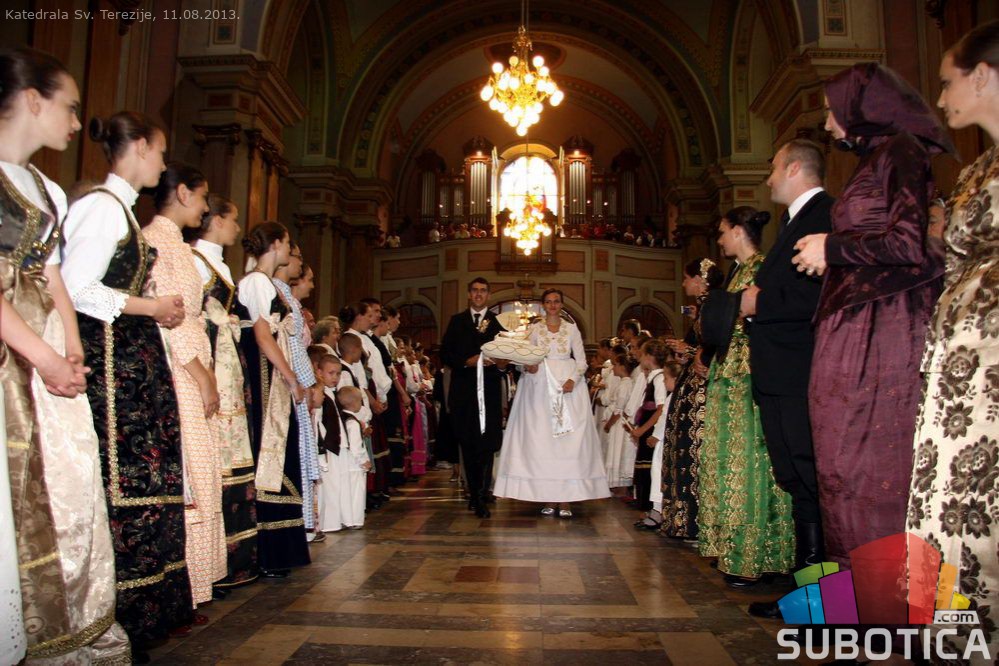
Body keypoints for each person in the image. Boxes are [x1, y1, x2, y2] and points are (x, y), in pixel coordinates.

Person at [792, 62, 955, 568]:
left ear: (859, 106)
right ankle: (858, 602)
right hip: (855, 318)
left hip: (885, 321)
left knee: (872, 465)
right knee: (841, 467)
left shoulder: (902, 150)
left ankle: (891, 607)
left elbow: (908, 244)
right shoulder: (874, 159)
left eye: (831, 110)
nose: (826, 123)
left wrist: (832, 248)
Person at [0, 46, 129, 663]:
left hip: (46, 344)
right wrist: (43, 358)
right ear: (32, 100)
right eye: (70, 108)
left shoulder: (48, 188)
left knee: (70, 487)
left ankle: (69, 621)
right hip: (14, 351)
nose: (79, 124)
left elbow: (51, 274)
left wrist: (71, 349)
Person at [62, 110, 194, 649]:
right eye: (159, 151)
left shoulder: (121, 210)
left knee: (147, 476)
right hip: (112, 366)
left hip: (132, 361)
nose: (162, 163)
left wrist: (154, 309)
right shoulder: (101, 206)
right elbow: (75, 286)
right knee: (125, 479)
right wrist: (151, 306)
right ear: (138, 146)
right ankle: (120, 612)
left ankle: (149, 608)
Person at [907, 21, 999, 658]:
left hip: (992, 365)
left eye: (948, 82)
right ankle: (959, 638)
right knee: (953, 504)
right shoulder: (977, 169)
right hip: (955, 372)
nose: (940, 99)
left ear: (984, 75)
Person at [738, 139, 834, 618]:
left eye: (774, 167)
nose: (769, 177)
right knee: (798, 481)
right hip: (781, 373)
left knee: (812, 481)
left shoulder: (823, 216)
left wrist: (757, 303)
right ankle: (807, 597)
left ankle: (821, 602)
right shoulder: (794, 221)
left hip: (800, 371)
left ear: (795, 168)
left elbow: (815, 298)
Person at [143, 162, 227, 610]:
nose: (206, 206)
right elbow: (171, 317)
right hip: (182, 366)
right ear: (181, 193)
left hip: (194, 360)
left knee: (203, 470)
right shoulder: (158, 240)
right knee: (191, 471)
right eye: (203, 195)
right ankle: (184, 584)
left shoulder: (176, 243)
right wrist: (203, 376)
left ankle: (196, 583)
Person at [698, 207, 794, 587]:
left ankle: (755, 553)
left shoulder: (762, 268)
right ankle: (733, 548)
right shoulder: (737, 271)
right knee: (728, 465)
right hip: (728, 376)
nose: (720, 240)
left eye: (723, 232)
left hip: (747, 377)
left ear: (738, 231)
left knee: (750, 463)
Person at [189, 193, 258, 592]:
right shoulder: (195, 260)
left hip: (229, 365)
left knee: (233, 457)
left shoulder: (221, 265)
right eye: (232, 219)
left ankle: (230, 561)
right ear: (216, 220)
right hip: (210, 362)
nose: (237, 227)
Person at [234, 222, 310, 578]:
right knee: (271, 450)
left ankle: (279, 547)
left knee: (281, 451)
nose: (290, 250)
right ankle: (268, 549)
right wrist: (291, 377)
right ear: (276, 244)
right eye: (288, 243)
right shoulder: (256, 282)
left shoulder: (265, 283)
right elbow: (263, 336)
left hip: (273, 374)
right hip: (264, 375)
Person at [494, 289, 611, 517]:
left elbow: (582, 361)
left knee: (567, 442)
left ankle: (566, 499)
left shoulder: (572, 329)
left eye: (556, 301)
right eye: (548, 302)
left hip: (568, 388)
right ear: (543, 305)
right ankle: (547, 495)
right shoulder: (535, 329)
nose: (553, 305)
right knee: (542, 441)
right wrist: (527, 366)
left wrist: (573, 379)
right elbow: (524, 358)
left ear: (562, 304)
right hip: (539, 386)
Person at [660, 258, 724, 541]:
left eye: (687, 278)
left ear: (700, 280)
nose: (683, 283)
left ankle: (697, 521)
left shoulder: (714, 307)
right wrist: (686, 350)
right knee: (684, 449)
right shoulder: (703, 309)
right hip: (691, 388)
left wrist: (690, 350)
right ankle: (683, 520)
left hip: (701, 393)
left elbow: (716, 346)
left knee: (695, 450)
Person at [441, 277, 507, 518]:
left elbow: (506, 358)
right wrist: (465, 362)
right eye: (475, 290)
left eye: (483, 291)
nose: (479, 294)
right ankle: (474, 493)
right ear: (469, 294)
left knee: (487, 444)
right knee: (468, 443)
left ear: (488, 295)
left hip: (489, 392)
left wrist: (502, 364)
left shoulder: (497, 324)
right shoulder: (457, 321)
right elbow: (445, 353)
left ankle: (482, 493)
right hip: (464, 393)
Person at [273, 246, 320, 537]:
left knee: (302, 449)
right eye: (309, 278)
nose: (312, 285)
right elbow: (291, 346)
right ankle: (298, 526)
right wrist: (306, 382)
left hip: (295, 379)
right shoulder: (279, 295)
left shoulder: (287, 299)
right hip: (290, 381)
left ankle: (303, 525)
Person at [631, 342, 674, 528]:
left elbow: (661, 408)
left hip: (652, 432)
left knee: (651, 473)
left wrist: (644, 430)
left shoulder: (659, 378)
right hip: (649, 430)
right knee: (646, 472)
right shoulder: (654, 377)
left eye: (642, 354)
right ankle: (650, 511)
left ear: (649, 356)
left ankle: (654, 512)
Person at [337, 386, 375, 528]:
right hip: (355, 464)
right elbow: (355, 446)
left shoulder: (342, 417)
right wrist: (364, 461)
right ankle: (355, 520)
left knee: (347, 492)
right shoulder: (352, 422)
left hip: (347, 463)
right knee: (356, 492)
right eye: (360, 401)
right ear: (354, 402)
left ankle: (347, 519)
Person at [602, 352, 637, 491]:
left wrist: (608, 424)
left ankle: (620, 485)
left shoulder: (625, 384)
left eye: (615, 365)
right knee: (615, 451)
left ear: (622, 366)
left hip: (619, 424)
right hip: (618, 423)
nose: (613, 368)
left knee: (617, 452)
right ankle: (616, 484)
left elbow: (619, 409)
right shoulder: (624, 383)